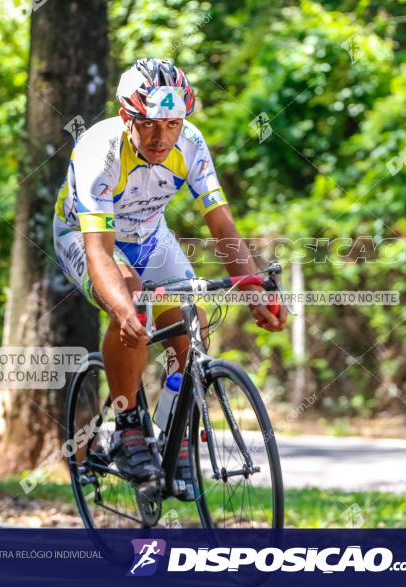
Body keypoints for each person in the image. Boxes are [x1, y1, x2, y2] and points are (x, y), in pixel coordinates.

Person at [53, 58, 287, 499]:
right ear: (127, 117)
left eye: (174, 124)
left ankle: (175, 431)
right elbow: (99, 251)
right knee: (131, 298)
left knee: (191, 321)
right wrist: (124, 309)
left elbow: (222, 227)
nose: (163, 137)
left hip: (149, 235)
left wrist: (254, 290)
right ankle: (127, 427)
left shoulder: (192, 143)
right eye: (150, 125)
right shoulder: (99, 150)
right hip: (86, 235)